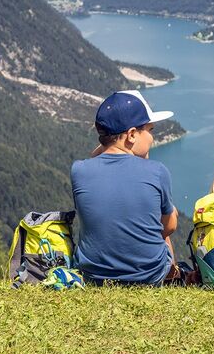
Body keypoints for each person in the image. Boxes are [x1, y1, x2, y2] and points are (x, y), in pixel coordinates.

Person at [71, 90, 179, 286]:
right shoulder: (157, 171)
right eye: (150, 130)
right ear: (131, 134)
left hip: (93, 276)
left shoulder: (79, 170)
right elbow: (170, 226)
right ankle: (174, 279)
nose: (152, 138)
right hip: (148, 276)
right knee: (167, 217)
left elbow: (97, 158)